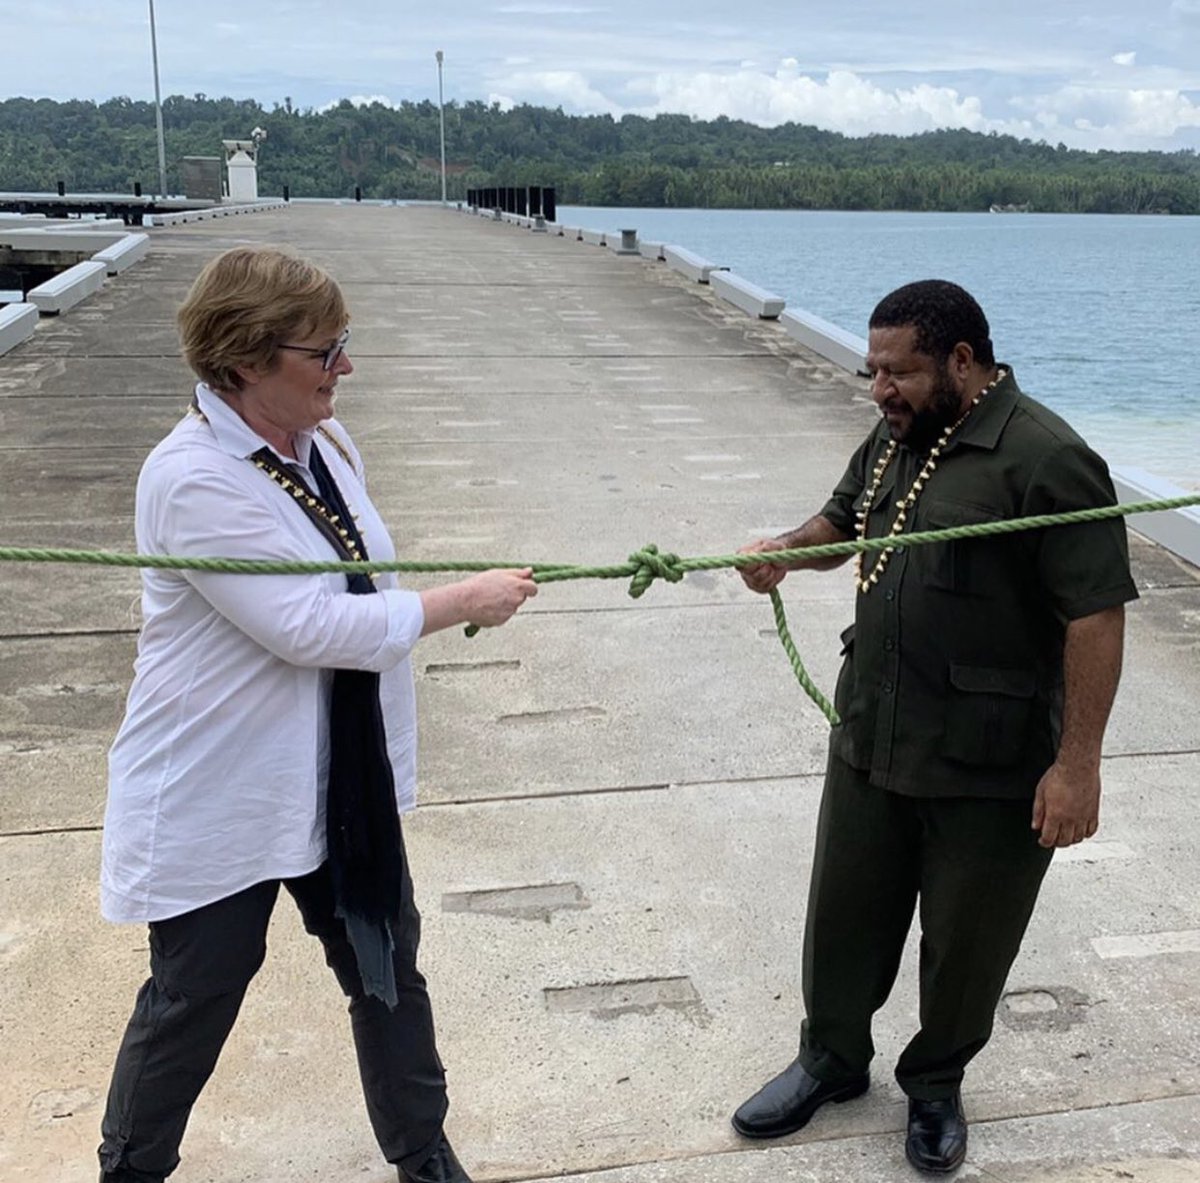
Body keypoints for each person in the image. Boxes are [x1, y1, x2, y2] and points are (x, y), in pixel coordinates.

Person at [97, 246, 537, 1183]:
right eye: (325, 351)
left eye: (344, 343)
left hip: (339, 770)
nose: (347, 366)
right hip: (226, 785)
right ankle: (129, 1170)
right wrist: (461, 601)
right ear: (246, 360)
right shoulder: (192, 478)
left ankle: (424, 1155)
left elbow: (354, 585)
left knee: (387, 970)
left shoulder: (326, 444)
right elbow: (306, 625)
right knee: (195, 994)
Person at [731, 280, 1136, 1174]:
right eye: (872, 370)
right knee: (842, 916)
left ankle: (936, 1083)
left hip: (988, 758)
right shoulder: (895, 434)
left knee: (967, 942)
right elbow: (843, 518)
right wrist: (786, 552)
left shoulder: (1048, 458)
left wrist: (1078, 766)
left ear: (961, 361)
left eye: (898, 371)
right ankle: (831, 1060)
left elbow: (1096, 614)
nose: (879, 388)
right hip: (872, 731)